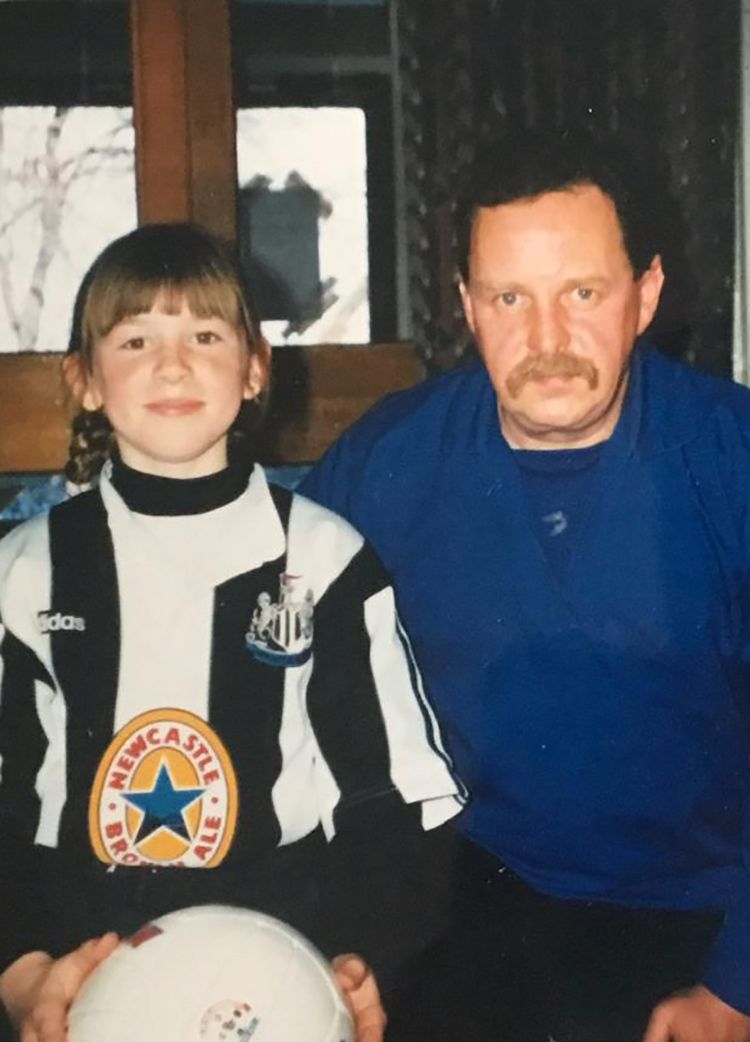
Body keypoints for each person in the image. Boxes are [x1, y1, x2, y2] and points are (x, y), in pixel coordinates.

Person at [300, 129, 750, 1042]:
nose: (547, 340)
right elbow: (262, 676)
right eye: (510, 297)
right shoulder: (387, 462)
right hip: (466, 901)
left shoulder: (731, 461)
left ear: (645, 296)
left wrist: (738, 988)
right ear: (467, 305)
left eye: (582, 293)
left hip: (702, 913)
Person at [0, 222, 464, 1042]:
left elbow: (394, 803)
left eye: (205, 335)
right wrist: (21, 970)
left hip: (278, 965)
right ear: (85, 380)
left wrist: (362, 960)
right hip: (82, 974)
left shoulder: (326, 560)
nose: (171, 364)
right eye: (135, 337)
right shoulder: (23, 572)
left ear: (254, 370)